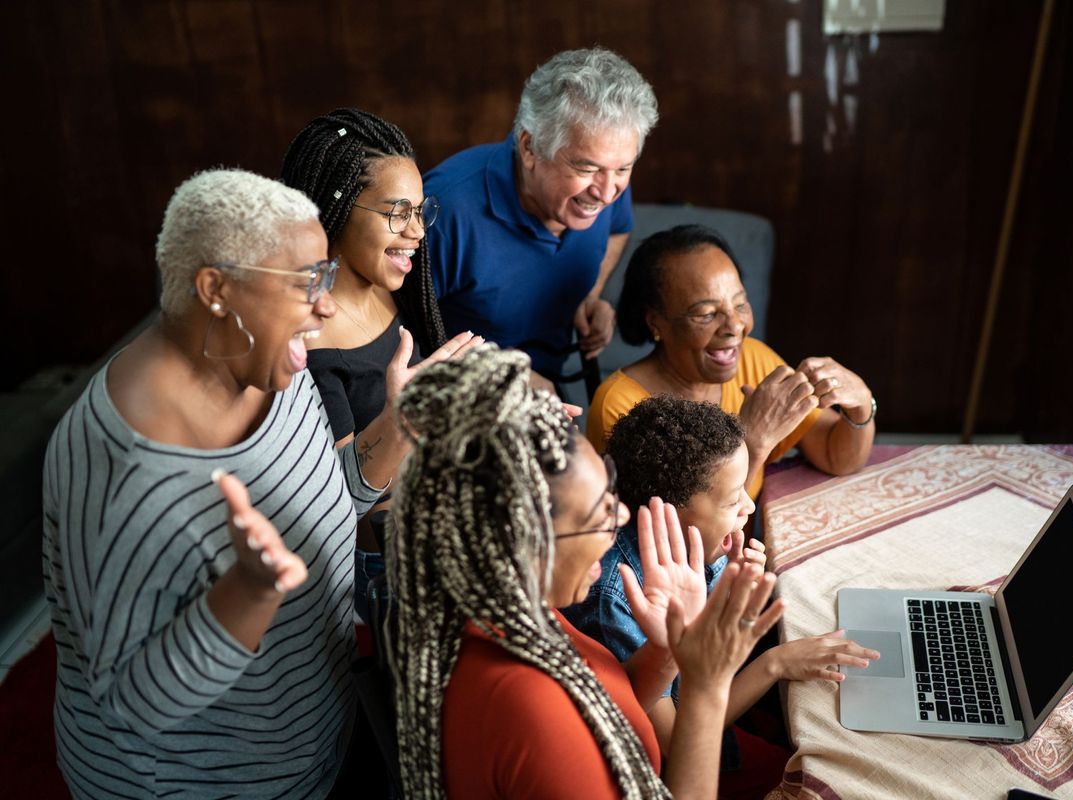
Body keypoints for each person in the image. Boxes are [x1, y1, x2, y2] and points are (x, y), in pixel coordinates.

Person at [42, 168, 411, 798]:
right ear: (216, 288)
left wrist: (398, 431)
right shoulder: (118, 469)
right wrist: (249, 592)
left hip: (318, 729)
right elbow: (134, 703)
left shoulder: (275, 370)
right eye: (306, 282)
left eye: (327, 276)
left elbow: (328, 502)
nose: (326, 309)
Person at [383, 346, 785, 799]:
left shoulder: (516, 612)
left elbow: (620, 695)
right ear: (526, 542)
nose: (619, 519)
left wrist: (669, 647)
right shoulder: (536, 714)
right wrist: (708, 687)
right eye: (597, 514)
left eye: (608, 492)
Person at [565, 395, 879, 799]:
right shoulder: (616, 596)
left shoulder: (702, 541)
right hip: (678, 758)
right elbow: (676, 742)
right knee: (808, 775)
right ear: (672, 513)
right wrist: (775, 663)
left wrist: (734, 582)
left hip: (716, 702)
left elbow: (712, 638)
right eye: (733, 500)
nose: (749, 506)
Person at [281, 108, 481, 620]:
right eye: (397, 213)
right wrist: (406, 422)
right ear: (336, 208)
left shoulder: (395, 286)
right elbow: (348, 504)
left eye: (420, 211)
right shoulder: (308, 347)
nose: (417, 231)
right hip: (393, 565)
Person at [588, 224, 877, 499]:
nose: (735, 326)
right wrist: (753, 438)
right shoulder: (623, 407)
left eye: (740, 305)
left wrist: (861, 402)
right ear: (656, 322)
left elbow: (835, 456)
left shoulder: (753, 359)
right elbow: (687, 539)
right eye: (706, 314)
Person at [423, 47, 658, 383]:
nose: (607, 193)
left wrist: (587, 294)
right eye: (586, 167)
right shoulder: (445, 212)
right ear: (530, 147)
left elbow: (618, 230)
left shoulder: (603, 188)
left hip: (549, 385)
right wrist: (507, 378)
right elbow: (385, 333)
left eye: (623, 168)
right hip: (456, 396)